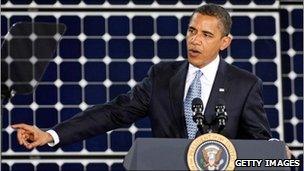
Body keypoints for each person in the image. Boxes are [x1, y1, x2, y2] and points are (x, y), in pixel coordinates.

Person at [13, 4, 273, 150]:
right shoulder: (162, 76)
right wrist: (51, 134)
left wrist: (275, 151)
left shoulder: (245, 84)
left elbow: (260, 145)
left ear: (224, 42)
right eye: (192, 31)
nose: (194, 41)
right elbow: (113, 112)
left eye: (206, 35)